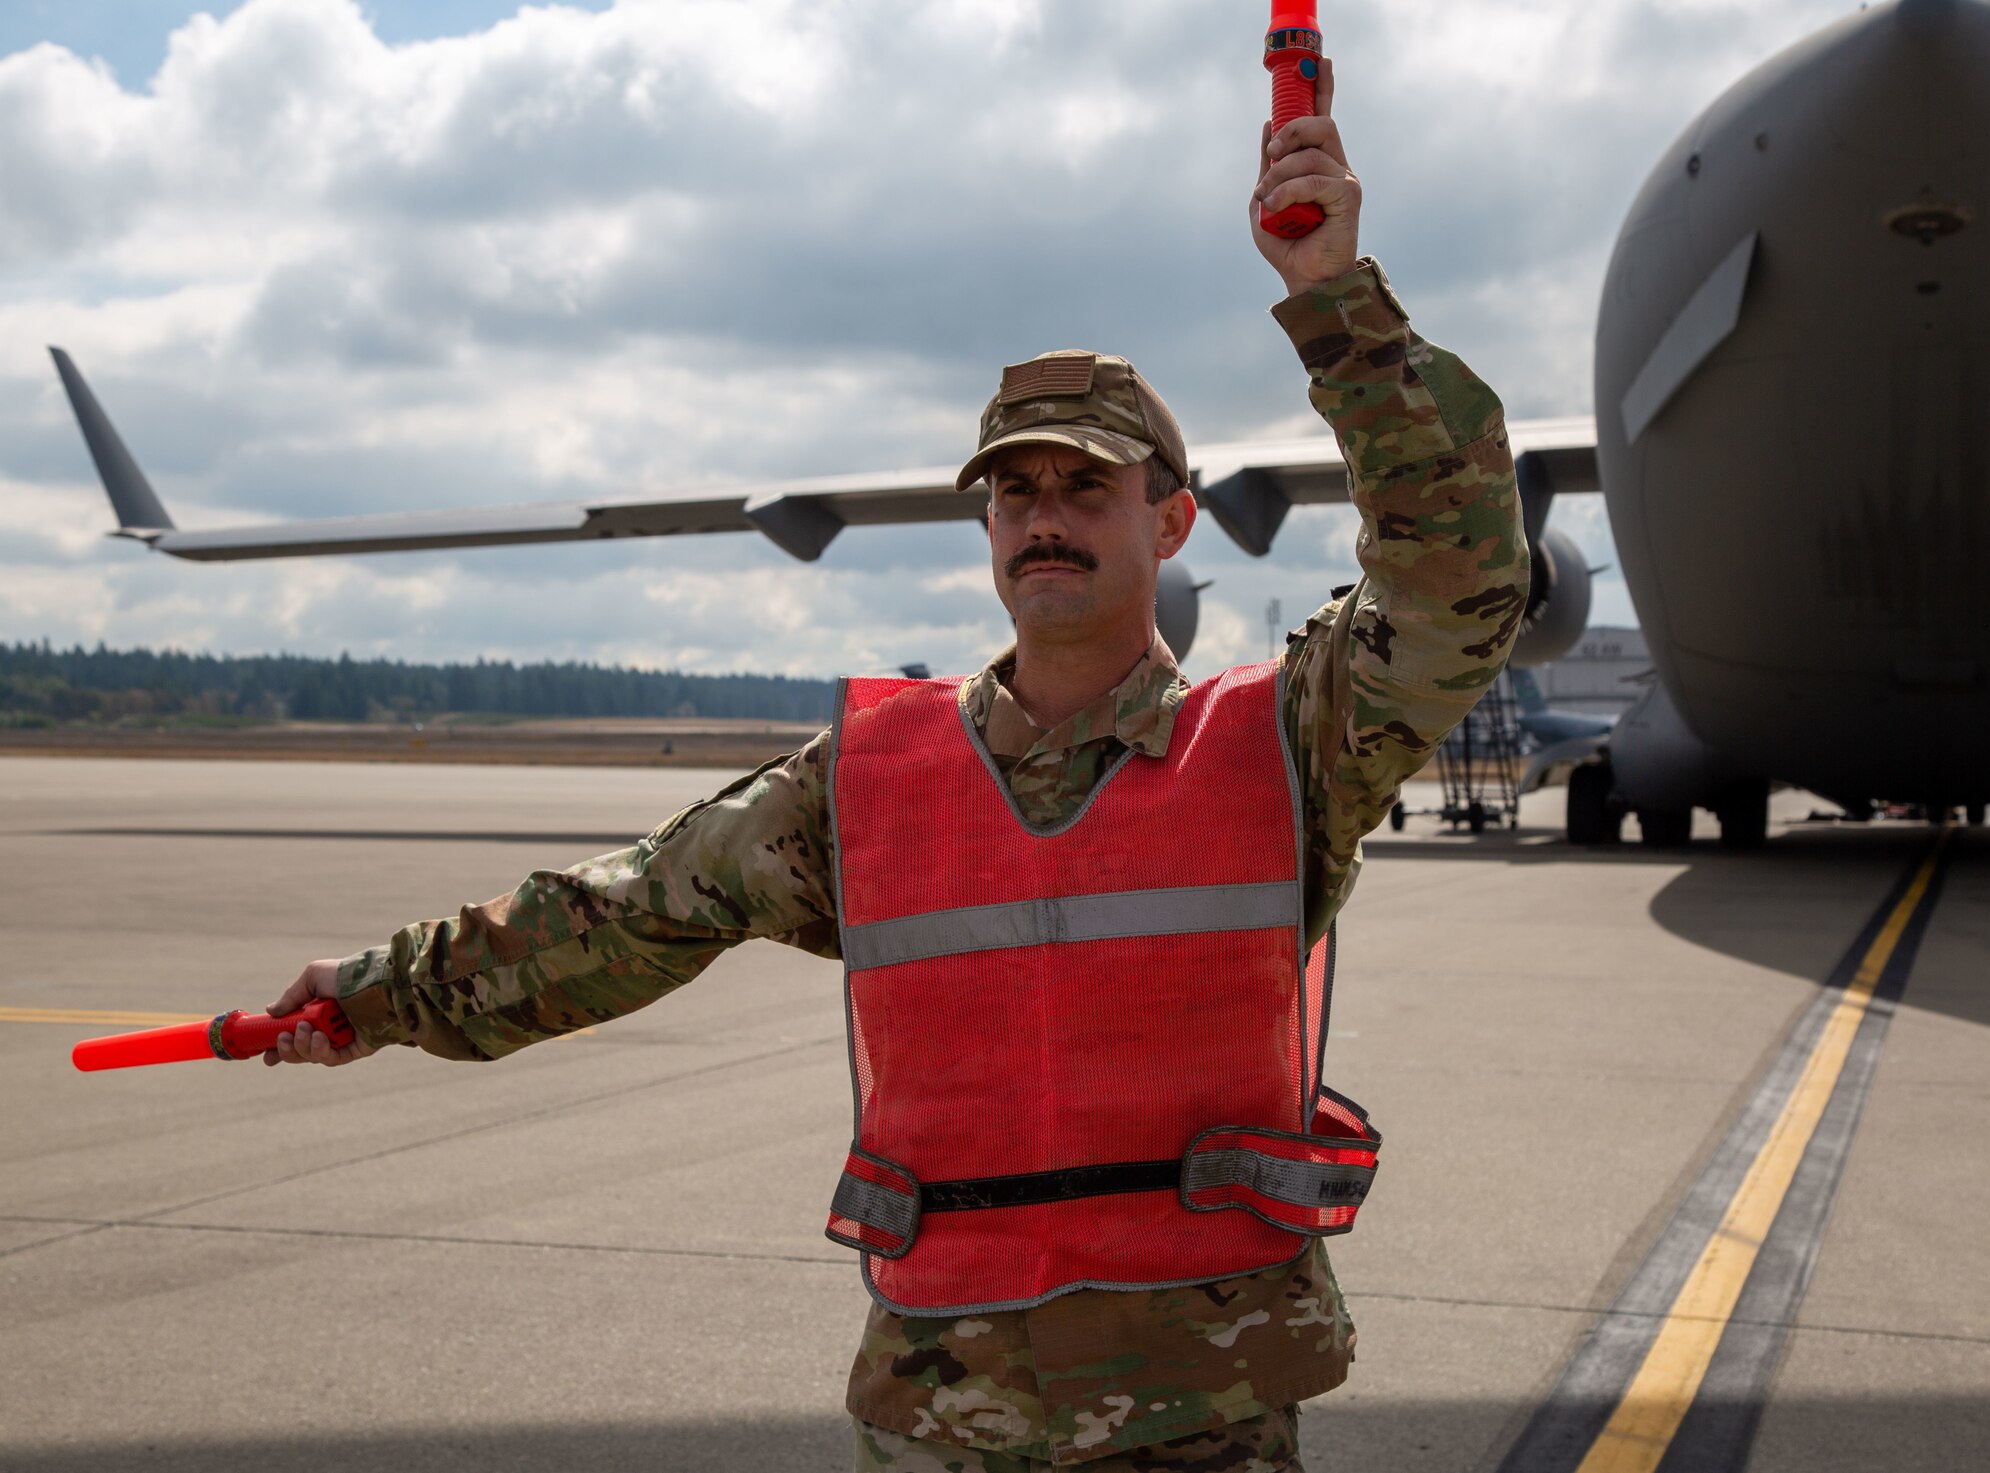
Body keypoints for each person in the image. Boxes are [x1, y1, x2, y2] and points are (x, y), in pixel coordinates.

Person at [263, 66, 1527, 1473]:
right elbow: (618, 917)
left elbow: (1456, 579)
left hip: (1203, 1422)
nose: (1043, 518)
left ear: (1171, 522)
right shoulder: (868, 781)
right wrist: (375, 995)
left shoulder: (1286, 743)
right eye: (1014, 490)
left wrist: (1335, 299)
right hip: (943, 1417)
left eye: (1085, 487)